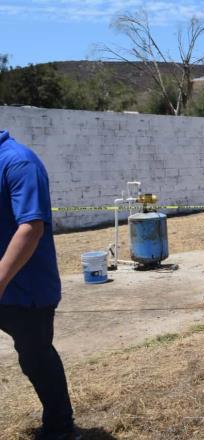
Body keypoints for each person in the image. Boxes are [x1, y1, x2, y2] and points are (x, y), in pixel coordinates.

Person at [0, 130, 78, 439]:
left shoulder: (19, 162)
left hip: (27, 288)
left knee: (35, 357)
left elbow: (31, 228)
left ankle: (61, 427)